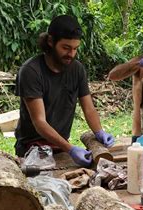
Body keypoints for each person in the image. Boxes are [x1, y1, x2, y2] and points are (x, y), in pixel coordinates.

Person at [14, 15, 114, 167]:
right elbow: (39, 122)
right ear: (50, 41)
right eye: (66, 48)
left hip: (60, 147)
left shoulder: (77, 70)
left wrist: (99, 132)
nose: (71, 54)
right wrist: (71, 149)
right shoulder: (31, 71)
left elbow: (89, 108)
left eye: (75, 49)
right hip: (31, 150)